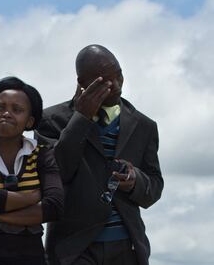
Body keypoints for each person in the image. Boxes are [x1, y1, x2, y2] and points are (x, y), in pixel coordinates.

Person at [35, 44, 163, 265]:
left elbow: (154, 188)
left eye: (119, 75)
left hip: (127, 248)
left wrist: (135, 180)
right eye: (104, 80)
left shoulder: (144, 125)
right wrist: (81, 118)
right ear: (82, 83)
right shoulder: (50, 120)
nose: (115, 85)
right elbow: (55, 174)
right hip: (73, 249)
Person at [0, 77, 64, 265]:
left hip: (30, 254)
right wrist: (32, 198)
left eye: (17, 110)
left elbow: (54, 207)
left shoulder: (41, 153)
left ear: (30, 121)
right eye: (0, 108)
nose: (6, 114)